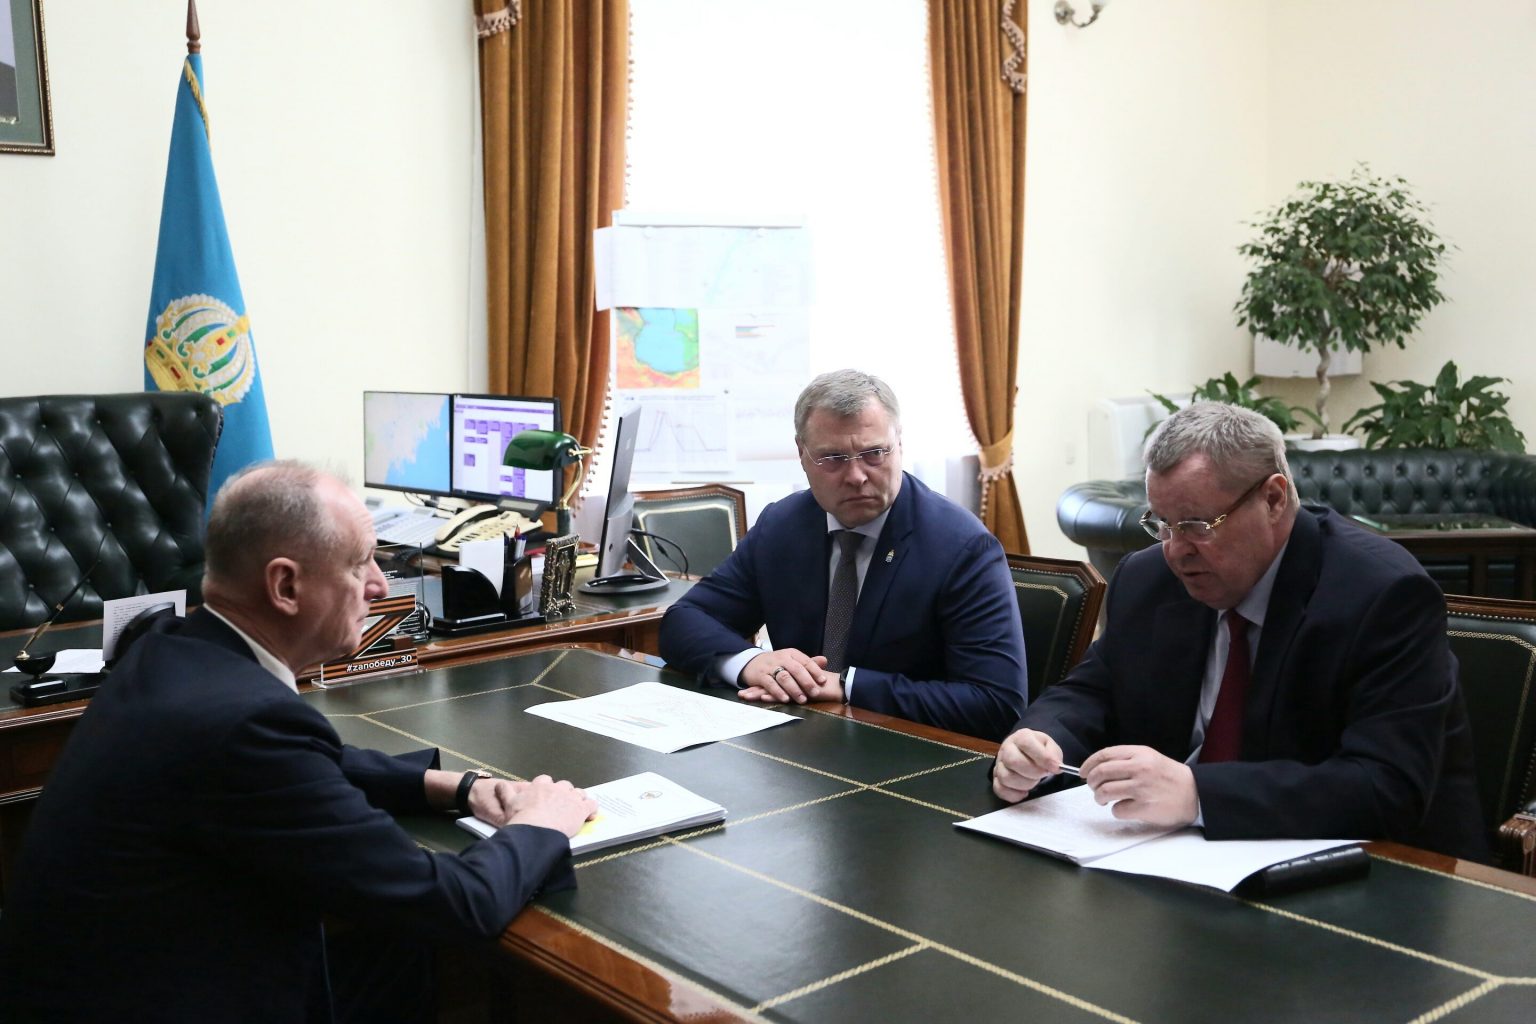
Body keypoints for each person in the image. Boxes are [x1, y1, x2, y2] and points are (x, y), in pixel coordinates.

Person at [0, 461, 597, 1023]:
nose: (379, 585)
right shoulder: (246, 725)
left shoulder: (168, 645)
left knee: (395, 952)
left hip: (89, 983)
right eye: (361, 563)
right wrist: (540, 824)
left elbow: (306, 765)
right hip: (166, 1002)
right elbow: (453, 906)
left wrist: (452, 787)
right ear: (285, 585)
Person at [992, 402, 1486, 860]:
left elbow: (1385, 788)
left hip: (1377, 876)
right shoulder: (1149, 580)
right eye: (1161, 524)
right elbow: (1093, 691)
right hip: (1172, 857)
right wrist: (1039, 737)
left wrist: (1196, 794)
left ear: (1272, 499)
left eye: (1195, 525)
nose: (1175, 551)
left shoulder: (1381, 595)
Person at [659, 369, 1027, 741]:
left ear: (899, 443)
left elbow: (995, 703)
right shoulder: (783, 525)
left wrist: (847, 686)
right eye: (832, 458)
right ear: (802, 455)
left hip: (905, 756)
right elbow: (685, 621)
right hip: (799, 747)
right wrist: (753, 663)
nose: (856, 476)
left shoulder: (961, 547)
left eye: (874, 453)